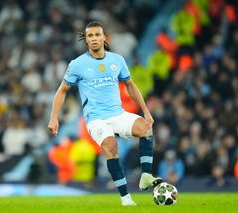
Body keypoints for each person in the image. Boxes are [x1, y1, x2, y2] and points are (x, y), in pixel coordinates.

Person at [48, 21, 164, 206]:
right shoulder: (77, 64)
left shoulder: (117, 60)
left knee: (145, 128)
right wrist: (54, 118)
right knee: (111, 146)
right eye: (90, 36)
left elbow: (130, 86)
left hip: (118, 114)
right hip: (96, 119)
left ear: (104, 38)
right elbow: (62, 91)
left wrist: (146, 111)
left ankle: (146, 176)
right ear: (86, 40)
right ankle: (126, 198)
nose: (94, 38)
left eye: (97, 35)